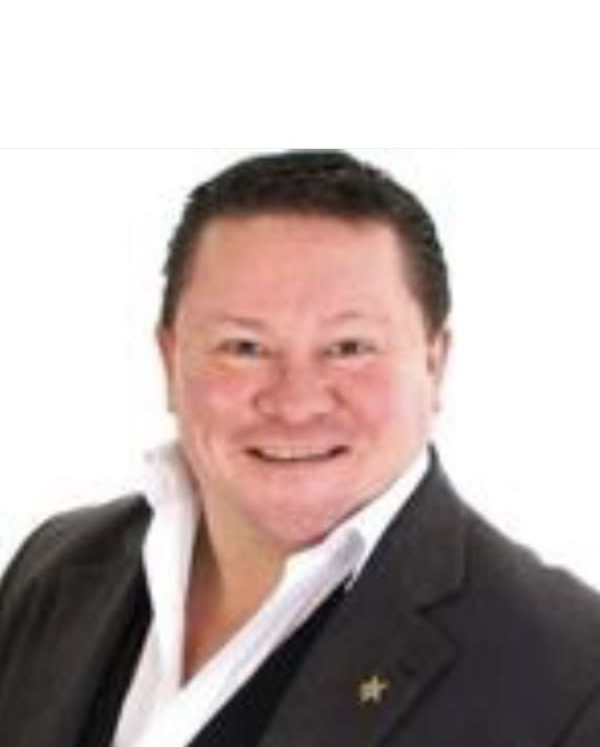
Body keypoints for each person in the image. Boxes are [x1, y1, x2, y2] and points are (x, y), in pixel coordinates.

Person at [1, 150, 600, 747]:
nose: (296, 403)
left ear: (434, 362)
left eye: (349, 348)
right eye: (244, 347)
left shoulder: (572, 672)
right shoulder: (52, 567)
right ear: (170, 360)